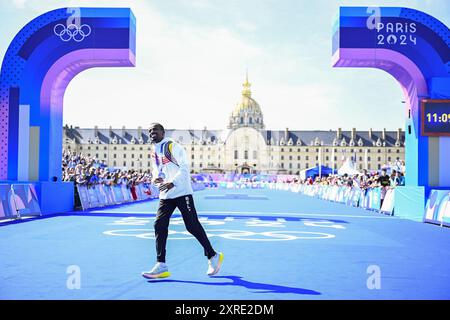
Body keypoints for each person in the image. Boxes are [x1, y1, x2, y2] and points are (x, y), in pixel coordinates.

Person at [142, 123, 223, 279]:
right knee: (159, 225)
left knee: (192, 226)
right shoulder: (154, 150)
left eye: (155, 130)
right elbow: (155, 171)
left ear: (163, 132)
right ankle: (161, 265)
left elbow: (185, 168)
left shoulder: (172, 146)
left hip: (182, 192)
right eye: (150, 131)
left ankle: (213, 255)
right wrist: (155, 180)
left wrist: (173, 182)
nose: (152, 133)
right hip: (166, 194)